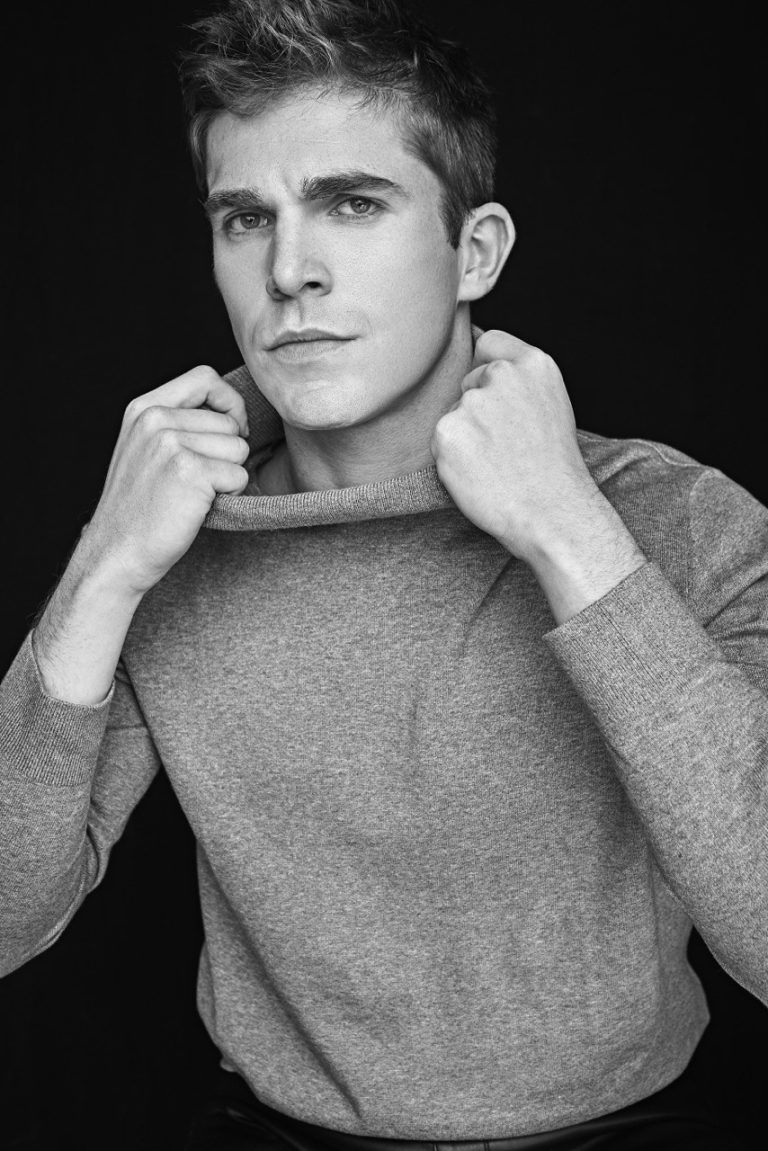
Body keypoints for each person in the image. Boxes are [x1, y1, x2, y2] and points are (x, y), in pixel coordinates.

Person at [0, 0, 765, 1147]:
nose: (289, 272)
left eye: (352, 203)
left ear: (476, 251)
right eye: (245, 218)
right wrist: (103, 571)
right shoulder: (166, 535)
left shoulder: (675, 517)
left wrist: (571, 535)